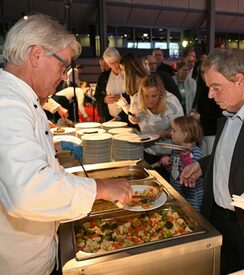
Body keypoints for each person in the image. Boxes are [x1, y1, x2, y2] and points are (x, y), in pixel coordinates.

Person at [0, 14, 132, 275]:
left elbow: (45, 170)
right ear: (36, 55)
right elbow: (28, 191)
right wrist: (101, 188)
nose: (63, 76)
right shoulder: (9, 104)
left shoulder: (26, 98)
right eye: (63, 66)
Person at [180, 48, 244, 274]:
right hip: (220, 220)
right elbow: (235, 153)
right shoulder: (228, 112)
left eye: (216, 87)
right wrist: (203, 166)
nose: (211, 95)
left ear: (239, 79)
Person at [129, 73, 183, 179]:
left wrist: (165, 133)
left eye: (154, 96)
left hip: (169, 154)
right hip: (146, 151)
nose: (150, 100)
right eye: (146, 96)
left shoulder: (171, 102)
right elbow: (132, 117)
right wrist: (133, 120)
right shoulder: (136, 99)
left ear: (161, 94)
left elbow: (181, 129)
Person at [152, 116, 203, 212]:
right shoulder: (176, 150)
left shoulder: (195, 153)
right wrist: (166, 164)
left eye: (174, 130)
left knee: (192, 216)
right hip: (177, 192)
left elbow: (191, 173)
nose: (171, 133)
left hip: (191, 198)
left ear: (185, 134)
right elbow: (174, 170)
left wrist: (185, 156)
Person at [191, 60, 223, 156]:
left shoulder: (219, 89)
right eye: (201, 72)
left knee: (210, 160)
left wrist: (200, 117)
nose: (204, 75)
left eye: (206, 71)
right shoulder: (203, 88)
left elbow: (221, 116)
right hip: (203, 132)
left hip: (214, 132)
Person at [94, 47, 128, 123]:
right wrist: (104, 99)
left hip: (127, 116)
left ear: (120, 58)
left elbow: (135, 95)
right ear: (108, 64)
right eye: (112, 63)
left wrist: (122, 97)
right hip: (109, 116)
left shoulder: (129, 75)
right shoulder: (103, 77)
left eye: (117, 61)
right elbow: (97, 95)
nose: (116, 65)